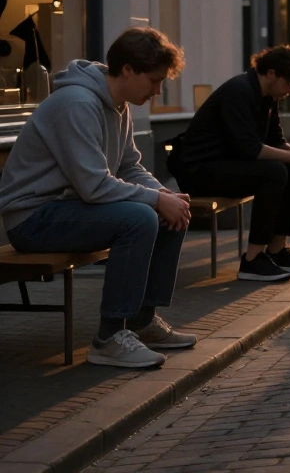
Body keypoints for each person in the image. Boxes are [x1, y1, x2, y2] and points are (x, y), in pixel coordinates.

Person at [0, 27, 194, 368]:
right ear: (129, 70)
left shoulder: (119, 105)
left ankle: (141, 321)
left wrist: (164, 195)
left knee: (166, 211)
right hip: (33, 217)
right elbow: (94, 186)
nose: (158, 91)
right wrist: (154, 201)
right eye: (154, 81)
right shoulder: (76, 104)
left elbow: (129, 166)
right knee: (141, 218)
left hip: (69, 208)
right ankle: (108, 338)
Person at [170, 45, 290, 283]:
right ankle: (252, 259)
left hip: (228, 166)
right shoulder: (239, 92)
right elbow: (249, 148)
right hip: (200, 171)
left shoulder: (269, 97)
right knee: (274, 172)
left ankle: (278, 250)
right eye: (289, 83)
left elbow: (276, 141)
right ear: (271, 73)